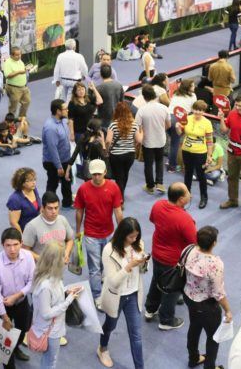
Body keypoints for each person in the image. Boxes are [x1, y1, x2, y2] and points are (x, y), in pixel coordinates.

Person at [97, 217, 148, 369]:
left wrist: (144, 263)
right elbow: (112, 281)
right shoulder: (109, 250)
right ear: (122, 234)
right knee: (110, 326)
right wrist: (128, 267)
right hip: (116, 296)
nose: (135, 239)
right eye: (131, 236)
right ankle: (102, 348)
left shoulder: (139, 244)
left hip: (133, 294)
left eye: (137, 236)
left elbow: (143, 271)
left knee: (136, 337)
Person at [144, 182, 196, 331]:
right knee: (172, 289)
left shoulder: (157, 205)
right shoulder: (185, 219)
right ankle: (166, 320)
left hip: (156, 254)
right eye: (187, 193)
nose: (190, 195)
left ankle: (150, 309)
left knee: (157, 280)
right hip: (173, 261)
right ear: (181, 199)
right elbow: (193, 243)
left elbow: (153, 220)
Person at [182, 226, 231, 369]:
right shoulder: (215, 264)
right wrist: (228, 310)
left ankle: (193, 359)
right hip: (207, 306)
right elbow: (218, 293)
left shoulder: (188, 250)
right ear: (214, 243)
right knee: (213, 337)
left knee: (194, 327)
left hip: (189, 297)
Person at [75, 158, 123, 301]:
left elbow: (118, 211)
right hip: (90, 234)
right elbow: (79, 211)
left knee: (107, 262)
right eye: (93, 174)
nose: (96, 177)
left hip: (109, 233)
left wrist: (121, 232)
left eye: (99, 174)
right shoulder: (83, 189)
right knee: (94, 268)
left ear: (105, 172)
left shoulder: (113, 188)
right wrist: (78, 230)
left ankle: (102, 281)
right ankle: (97, 295)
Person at [0, 228, 35, 369]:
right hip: (2, 307)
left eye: (15, 244)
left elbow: (32, 282)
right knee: (4, 345)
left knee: (22, 331)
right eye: (8, 245)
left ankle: (16, 347)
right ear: (2, 245)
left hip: (21, 302)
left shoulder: (28, 257)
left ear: (21, 243)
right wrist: (5, 318)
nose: (12, 249)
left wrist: (17, 296)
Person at [30, 242, 82, 369]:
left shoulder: (53, 276)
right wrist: (68, 300)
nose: (66, 260)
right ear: (55, 261)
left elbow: (53, 297)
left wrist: (66, 292)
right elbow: (46, 313)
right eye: (63, 257)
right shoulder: (45, 286)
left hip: (54, 328)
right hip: (50, 331)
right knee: (50, 363)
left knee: (48, 361)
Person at [134, 85, 171, 194]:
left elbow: (137, 127)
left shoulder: (142, 110)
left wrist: (137, 141)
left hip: (148, 142)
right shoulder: (164, 108)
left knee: (148, 164)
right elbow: (168, 125)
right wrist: (159, 130)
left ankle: (150, 186)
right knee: (159, 161)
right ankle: (159, 183)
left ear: (144, 97)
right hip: (160, 140)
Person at [23, 192, 75, 263]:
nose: (54, 211)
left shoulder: (63, 220)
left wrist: (67, 252)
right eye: (50, 208)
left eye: (56, 208)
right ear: (43, 208)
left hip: (59, 268)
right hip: (40, 270)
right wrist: (40, 259)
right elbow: (25, 250)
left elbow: (70, 240)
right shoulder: (32, 226)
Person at [42, 99, 74, 207]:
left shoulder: (63, 121)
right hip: (54, 162)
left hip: (65, 159)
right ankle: (48, 204)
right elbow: (52, 149)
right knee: (52, 184)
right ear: (58, 111)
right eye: (65, 109)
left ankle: (67, 202)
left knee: (67, 182)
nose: (67, 110)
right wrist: (59, 166)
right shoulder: (50, 128)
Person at [106, 101, 138, 199]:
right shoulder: (134, 124)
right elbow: (138, 140)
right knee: (125, 174)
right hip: (130, 155)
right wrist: (133, 146)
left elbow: (108, 141)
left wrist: (107, 150)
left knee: (119, 177)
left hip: (116, 155)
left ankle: (120, 199)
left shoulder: (113, 125)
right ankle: (121, 193)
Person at [53, 39, 88, 103]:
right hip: (74, 82)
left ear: (65, 46)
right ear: (74, 47)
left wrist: (56, 80)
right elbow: (84, 68)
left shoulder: (60, 56)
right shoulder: (79, 56)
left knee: (67, 98)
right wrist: (85, 76)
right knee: (70, 101)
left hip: (64, 81)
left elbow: (56, 69)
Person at [7, 167, 41, 234]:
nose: (34, 182)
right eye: (30, 180)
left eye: (34, 179)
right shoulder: (15, 199)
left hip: (37, 228)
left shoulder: (33, 189)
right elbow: (13, 223)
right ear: (21, 183)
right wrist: (22, 238)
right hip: (26, 232)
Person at [3, 47, 33, 121]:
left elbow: (23, 71)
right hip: (13, 88)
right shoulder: (7, 63)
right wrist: (19, 72)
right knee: (13, 106)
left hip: (24, 87)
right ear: (11, 55)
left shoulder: (20, 61)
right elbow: (7, 75)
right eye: (17, 55)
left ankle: (21, 117)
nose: (19, 56)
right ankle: (10, 121)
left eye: (20, 54)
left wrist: (26, 70)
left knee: (27, 101)